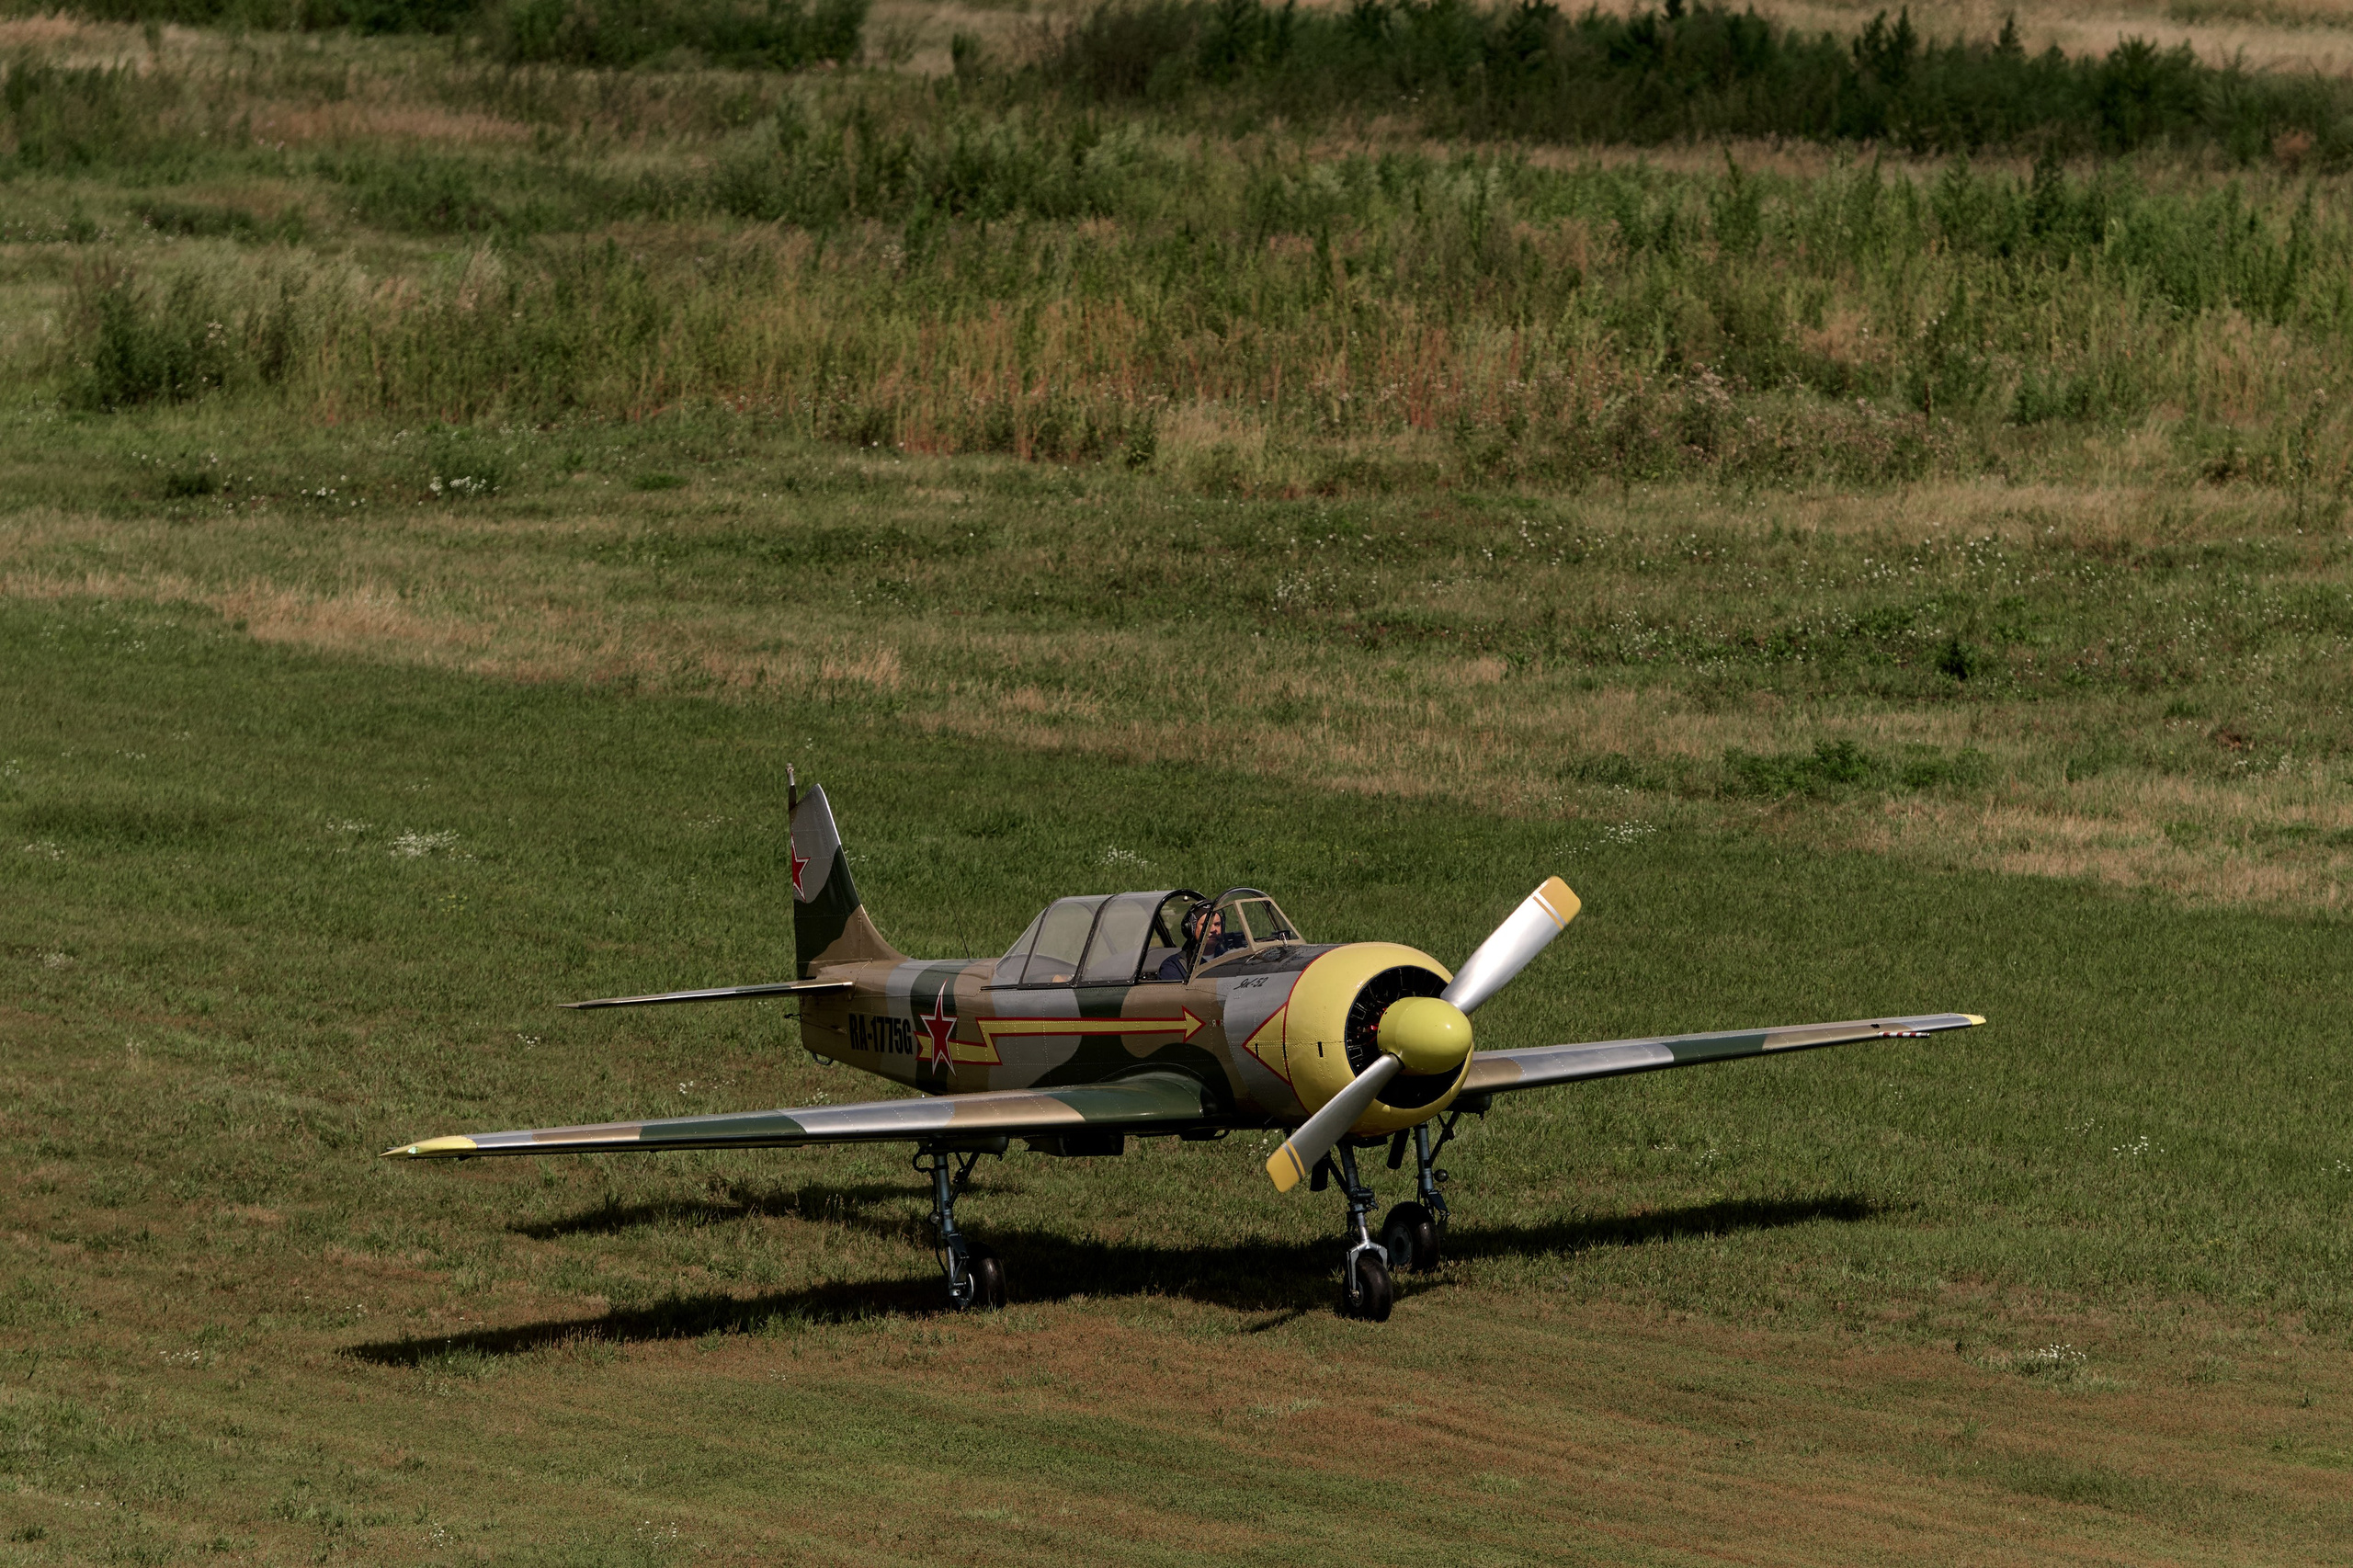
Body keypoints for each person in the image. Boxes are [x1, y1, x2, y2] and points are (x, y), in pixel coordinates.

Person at [1157, 902, 1245, 981]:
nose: (1213, 929)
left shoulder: (1231, 960)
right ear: (1191, 929)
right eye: (1206, 924)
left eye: (1217, 924)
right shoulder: (1174, 967)